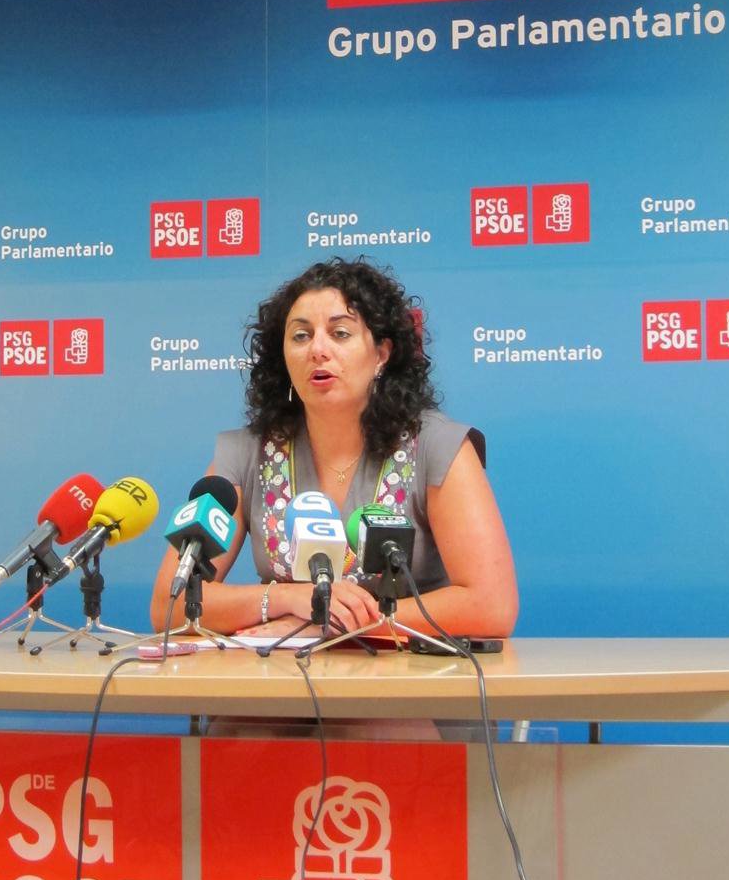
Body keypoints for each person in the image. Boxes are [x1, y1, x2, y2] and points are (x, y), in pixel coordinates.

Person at [151, 257, 518, 640]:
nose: (318, 350)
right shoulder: (246, 453)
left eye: (340, 333)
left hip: (412, 672)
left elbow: (491, 606)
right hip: (285, 672)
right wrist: (286, 599)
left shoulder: (436, 445)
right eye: (301, 336)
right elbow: (169, 605)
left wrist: (328, 623)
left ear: (381, 354)